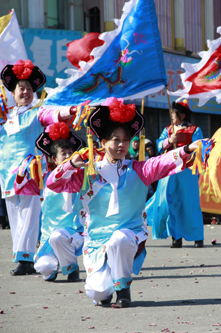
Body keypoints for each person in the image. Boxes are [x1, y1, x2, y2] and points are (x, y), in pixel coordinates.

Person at [46, 97, 210, 307]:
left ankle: (123, 287)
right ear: (103, 143)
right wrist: (70, 164)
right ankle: (106, 287)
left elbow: (163, 161)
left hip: (128, 233)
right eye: (116, 139)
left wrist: (188, 149)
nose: (122, 144)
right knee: (98, 292)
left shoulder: (138, 169)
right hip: (96, 240)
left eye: (125, 139)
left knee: (119, 240)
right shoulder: (88, 172)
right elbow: (53, 183)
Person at [0, 59, 81, 275]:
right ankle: (22, 255)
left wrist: (71, 110)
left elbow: (53, 115)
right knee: (15, 216)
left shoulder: (37, 112)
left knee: (29, 213)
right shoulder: (5, 119)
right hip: (7, 173)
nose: (25, 92)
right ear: (13, 92)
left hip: (30, 170)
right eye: (21, 88)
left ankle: (25, 259)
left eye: (28, 88)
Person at [15, 122, 84, 282]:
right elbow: (20, 187)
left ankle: (71, 266)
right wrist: (27, 167)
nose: (68, 157)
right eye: (63, 154)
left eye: (70, 153)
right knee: (45, 268)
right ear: (54, 158)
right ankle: (53, 265)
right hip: (48, 235)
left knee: (59, 237)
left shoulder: (81, 176)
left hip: (74, 231)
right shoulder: (44, 178)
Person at [146, 99, 204, 248]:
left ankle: (197, 236)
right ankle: (175, 237)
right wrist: (168, 141)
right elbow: (159, 145)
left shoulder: (195, 130)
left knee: (189, 202)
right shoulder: (168, 129)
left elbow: (200, 147)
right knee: (170, 201)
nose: (171, 117)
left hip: (187, 171)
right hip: (170, 169)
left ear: (182, 115)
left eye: (174, 114)